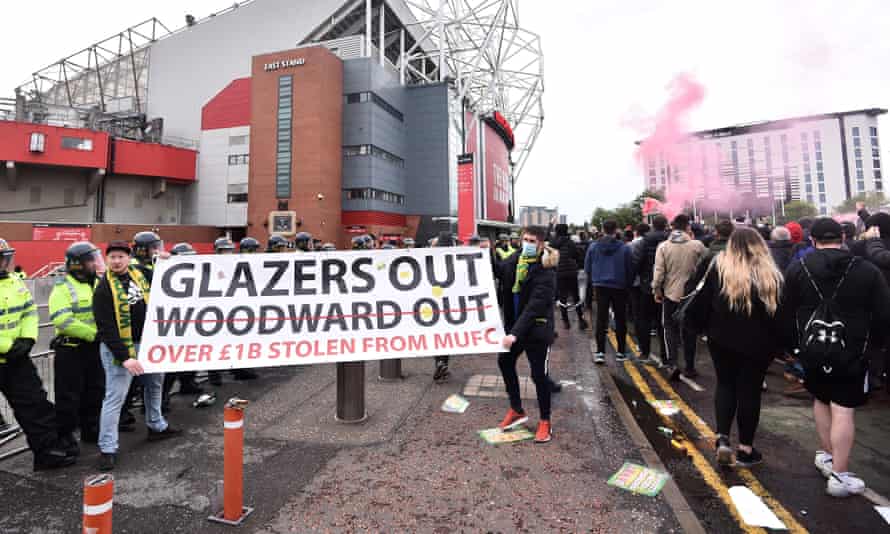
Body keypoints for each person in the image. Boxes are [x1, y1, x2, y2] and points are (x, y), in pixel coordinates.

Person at [784, 218, 890, 497]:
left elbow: (785, 311)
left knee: (820, 399)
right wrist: (875, 348)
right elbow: (883, 314)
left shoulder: (798, 268)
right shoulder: (867, 270)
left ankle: (829, 457)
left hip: (812, 347)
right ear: (842, 238)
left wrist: (793, 348)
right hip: (852, 349)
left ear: (812, 240)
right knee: (843, 408)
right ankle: (839, 476)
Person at [689, 228, 784, 467]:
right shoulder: (770, 271)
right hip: (759, 342)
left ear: (730, 244)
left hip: (721, 337)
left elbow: (697, 297)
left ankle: (722, 438)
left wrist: (701, 328)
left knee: (725, 384)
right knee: (750, 391)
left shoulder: (717, 265)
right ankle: (745, 449)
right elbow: (780, 312)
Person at [93, 241, 181, 471]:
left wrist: (165, 260)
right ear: (107, 260)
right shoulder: (103, 288)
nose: (116, 261)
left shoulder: (139, 272)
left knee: (154, 386)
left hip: (148, 344)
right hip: (121, 349)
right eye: (112, 257)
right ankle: (107, 448)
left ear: (128, 258)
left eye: (120, 256)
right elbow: (106, 328)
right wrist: (125, 357)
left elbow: (163, 275)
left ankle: (156, 426)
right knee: (115, 398)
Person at [0, 238, 77, 471]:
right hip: (10, 353)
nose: (2, 263)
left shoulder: (15, 283)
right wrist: (7, 346)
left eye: (4, 258)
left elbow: (29, 312)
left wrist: (28, 338)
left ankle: (48, 454)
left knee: (36, 407)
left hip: (16, 361)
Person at [497, 226, 558, 443]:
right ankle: (516, 409)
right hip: (515, 328)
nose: (527, 244)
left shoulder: (546, 269)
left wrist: (514, 334)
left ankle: (545, 421)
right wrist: (480, 253)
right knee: (505, 361)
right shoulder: (516, 259)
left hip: (536, 330)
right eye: (525, 239)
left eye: (532, 241)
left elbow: (535, 306)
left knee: (538, 376)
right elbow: (498, 270)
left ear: (541, 244)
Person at [49, 242, 106, 457]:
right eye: (92, 260)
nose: (96, 264)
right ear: (78, 265)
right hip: (71, 350)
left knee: (95, 390)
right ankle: (65, 438)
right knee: (68, 397)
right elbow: (63, 320)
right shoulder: (62, 287)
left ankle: (91, 429)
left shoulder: (98, 283)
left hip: (94, 349)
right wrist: (93, 334)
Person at [653, 213, 706, 379]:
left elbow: (659, 272)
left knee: (669, 328)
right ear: (688, 227)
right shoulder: (697, 246)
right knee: (690, 330)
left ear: (672, 227)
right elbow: (706, 266)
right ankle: (690, 367)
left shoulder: (663, 247)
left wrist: (656, 290)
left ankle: (673, 364)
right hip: (691, 295)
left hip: (670, 294)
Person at [209, 238, 258, 385]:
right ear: (218, 251)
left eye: (229, 250)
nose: (227, 253)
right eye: (224, 250)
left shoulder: (235, 264)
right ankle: (214, 373)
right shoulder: (212, 265)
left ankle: (238, 369)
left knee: (235, 339)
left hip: (234, 307)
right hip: (217, 308)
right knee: (216, 341)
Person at [585, 220, 633, 363]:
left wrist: (594, 279)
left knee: (601, 318)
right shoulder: (624, 248)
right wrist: (627, 284)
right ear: (616, 230)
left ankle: (600, 352)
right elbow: (630, 268)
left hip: (600, 285)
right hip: (619, 286)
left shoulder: (593, 246)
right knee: (620, 319)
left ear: (602, 229)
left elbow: (587, 267)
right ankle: (621, 352)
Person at [634, 215, 670, 364]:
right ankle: (665, 357)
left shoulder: (644, 241)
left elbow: (637, 262)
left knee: (645, 321)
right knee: (664, 323)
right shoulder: (669, 240)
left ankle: (645, 353)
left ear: (652, 225)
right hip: (667, 286)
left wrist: (642, 276)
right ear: (665, 225)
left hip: (647, 285)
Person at [552, 224, 588, 330]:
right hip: (572, 272)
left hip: (559, 272)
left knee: (562, 298)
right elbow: (577, 256)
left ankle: (566, 322)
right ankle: (581, 320)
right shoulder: (570, 242)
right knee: (575, 296)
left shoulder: (553, 243)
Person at [433, 232, 455, 382]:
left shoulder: (431, 258)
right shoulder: (455, 258)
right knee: (447, 334)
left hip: (433, 301)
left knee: (436, 334)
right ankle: (443, 363)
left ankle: (439, 362)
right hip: (450, 302)